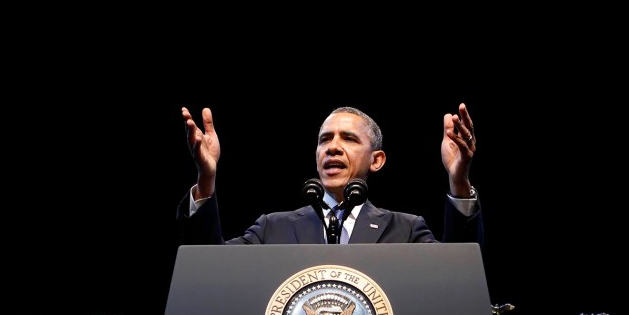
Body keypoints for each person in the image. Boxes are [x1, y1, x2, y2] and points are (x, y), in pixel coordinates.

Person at [177, 103, 483, 246]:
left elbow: (458, 270)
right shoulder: (272, 229)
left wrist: (459, 181)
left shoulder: (406, 231)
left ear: (377, 160)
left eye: (349, 139)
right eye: (325, 140)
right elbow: (207, 265)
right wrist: (206, 180)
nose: (333, 148)